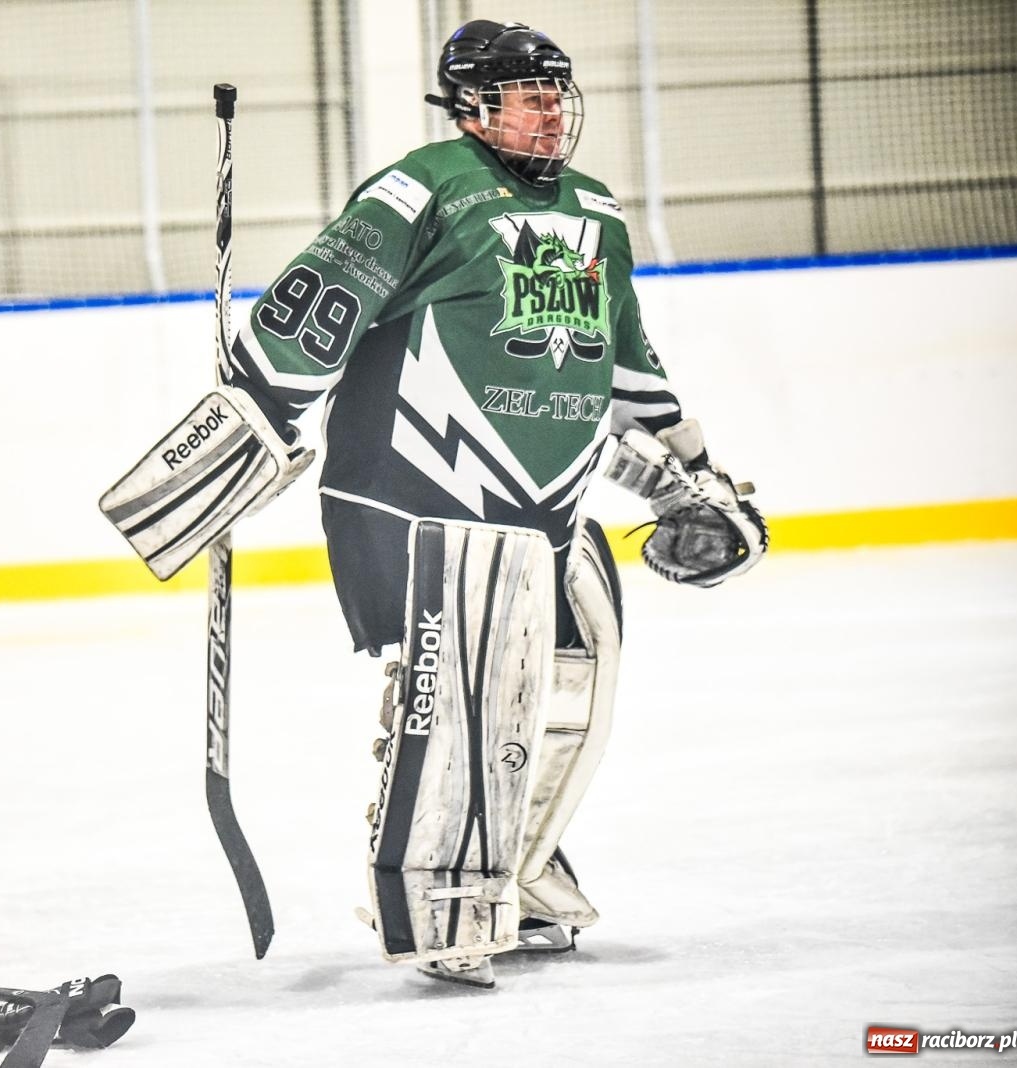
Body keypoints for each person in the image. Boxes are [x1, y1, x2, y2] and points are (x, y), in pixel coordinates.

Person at [105, 19, 766, 989]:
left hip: (549, 501)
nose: (550, 111)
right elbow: (316, 307)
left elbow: (622, 356)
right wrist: (247, 417)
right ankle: (438, 904)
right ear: (471, 105)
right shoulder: (422, 187)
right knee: (465, 696)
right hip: (418, 493)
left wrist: (693, 471)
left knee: (571, 696)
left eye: (555, 93)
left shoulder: (595, 209)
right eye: (527, 94)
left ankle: (516, 875)